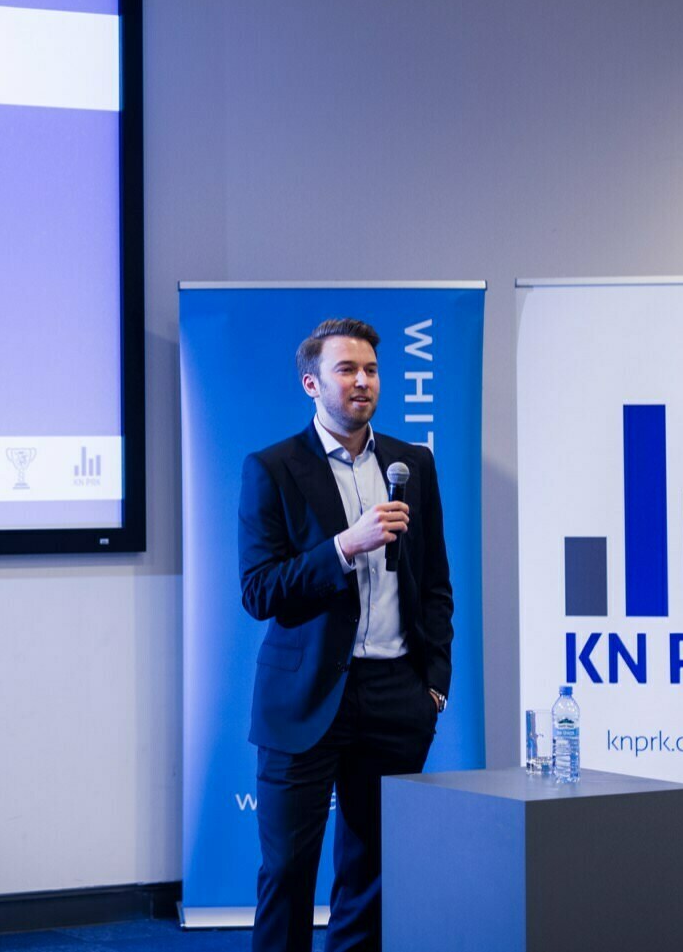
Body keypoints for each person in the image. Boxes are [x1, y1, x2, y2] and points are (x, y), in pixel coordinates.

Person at [239, 317, 454, 952]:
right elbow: (259, 591)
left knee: (372, 876)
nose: (363, 381)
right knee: (287, 873)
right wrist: (342, 546)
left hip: (395, 696)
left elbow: (435, 582)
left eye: (371, 370)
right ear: (312, 383)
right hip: (304, 699)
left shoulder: (412, 463)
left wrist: (433, 685)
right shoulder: (273, 468)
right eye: (346, 370)